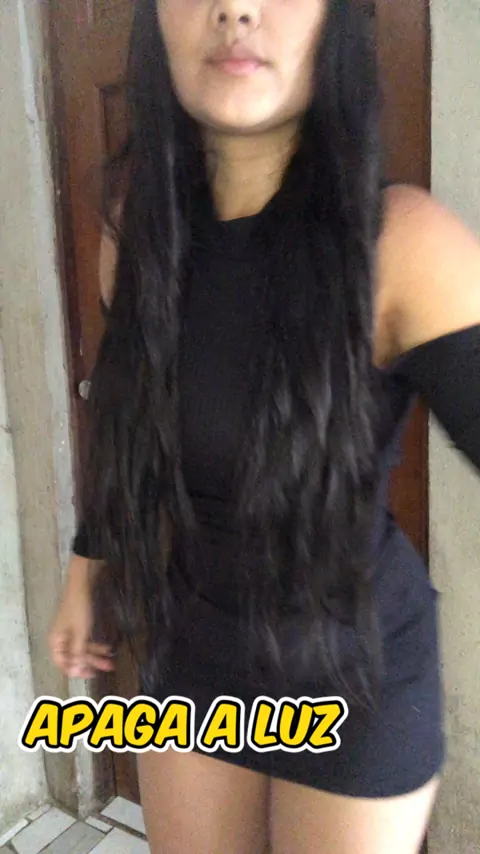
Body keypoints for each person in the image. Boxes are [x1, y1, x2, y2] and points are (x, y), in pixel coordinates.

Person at [48, 1, 480, 852]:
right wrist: (83, 574)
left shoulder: (404, 242)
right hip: (195, 651)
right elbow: (128, 420)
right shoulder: (137, 226)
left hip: (353, 675)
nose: (236, 9)